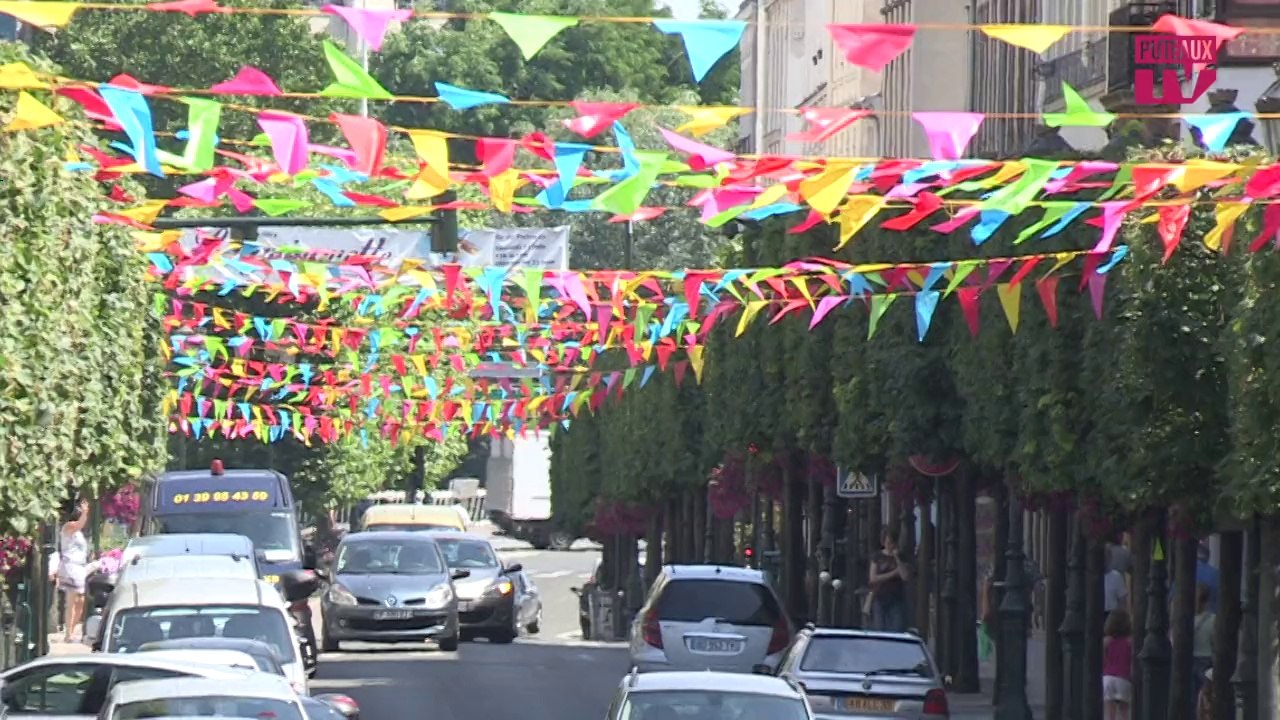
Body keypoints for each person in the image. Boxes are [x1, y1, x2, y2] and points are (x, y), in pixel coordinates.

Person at [54, 499, 90, 642]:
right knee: (72, 600)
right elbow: (79, 524)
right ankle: (68, 634)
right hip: (70, 567)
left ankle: (72, 630)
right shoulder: (68, 527)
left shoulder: (79, 533)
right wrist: (85, 512)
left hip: (80, 567)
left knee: (80, 600)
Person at [868, 528, 909, 632]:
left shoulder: (901, 556)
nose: (890, 546)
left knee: (897, 628)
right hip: (880, 597)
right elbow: (873, 578)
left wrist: (897, 558)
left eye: (892, 543)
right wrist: (893, 574)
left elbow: (905, 576)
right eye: (888, 543)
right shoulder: (877, 556)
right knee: (879, 628)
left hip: (896, 598)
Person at [1102, 609, 1133, 720]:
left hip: (1108, 677)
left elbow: (1103, 660)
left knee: (1109, 711)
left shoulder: (1106, 641)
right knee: (1123, 711)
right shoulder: (1130, 642)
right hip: (1124, 677)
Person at [1192, 583, 1215, 707]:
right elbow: (1214, 642)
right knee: (1204, 697)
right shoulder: (1213, 619)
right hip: (1206, 661)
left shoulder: (1187, 619)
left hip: (1191, 660)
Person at [1104, 546, 1128, 614]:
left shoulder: (1117, 576)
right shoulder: (1091, 577)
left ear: (1110, 558)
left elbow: (1122, 600)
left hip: (1111, 614)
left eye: (1106, 557)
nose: (1104, 560)